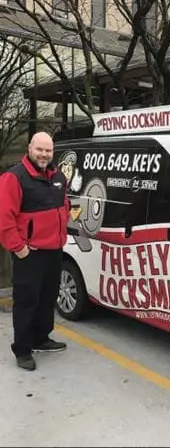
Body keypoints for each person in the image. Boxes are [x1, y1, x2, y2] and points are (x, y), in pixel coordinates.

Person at [0, 132, 70, 371]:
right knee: (27, 301)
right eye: (40, 149)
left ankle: (41, 338)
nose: (44, 155)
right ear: (30, 148)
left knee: (47, 298)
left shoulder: (58, 175)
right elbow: (4, 218)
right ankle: (22, 349)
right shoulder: (14, 177)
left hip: (54, 250)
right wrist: (19, 249)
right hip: (29, 253)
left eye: (48, 151)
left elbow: (64, 206)